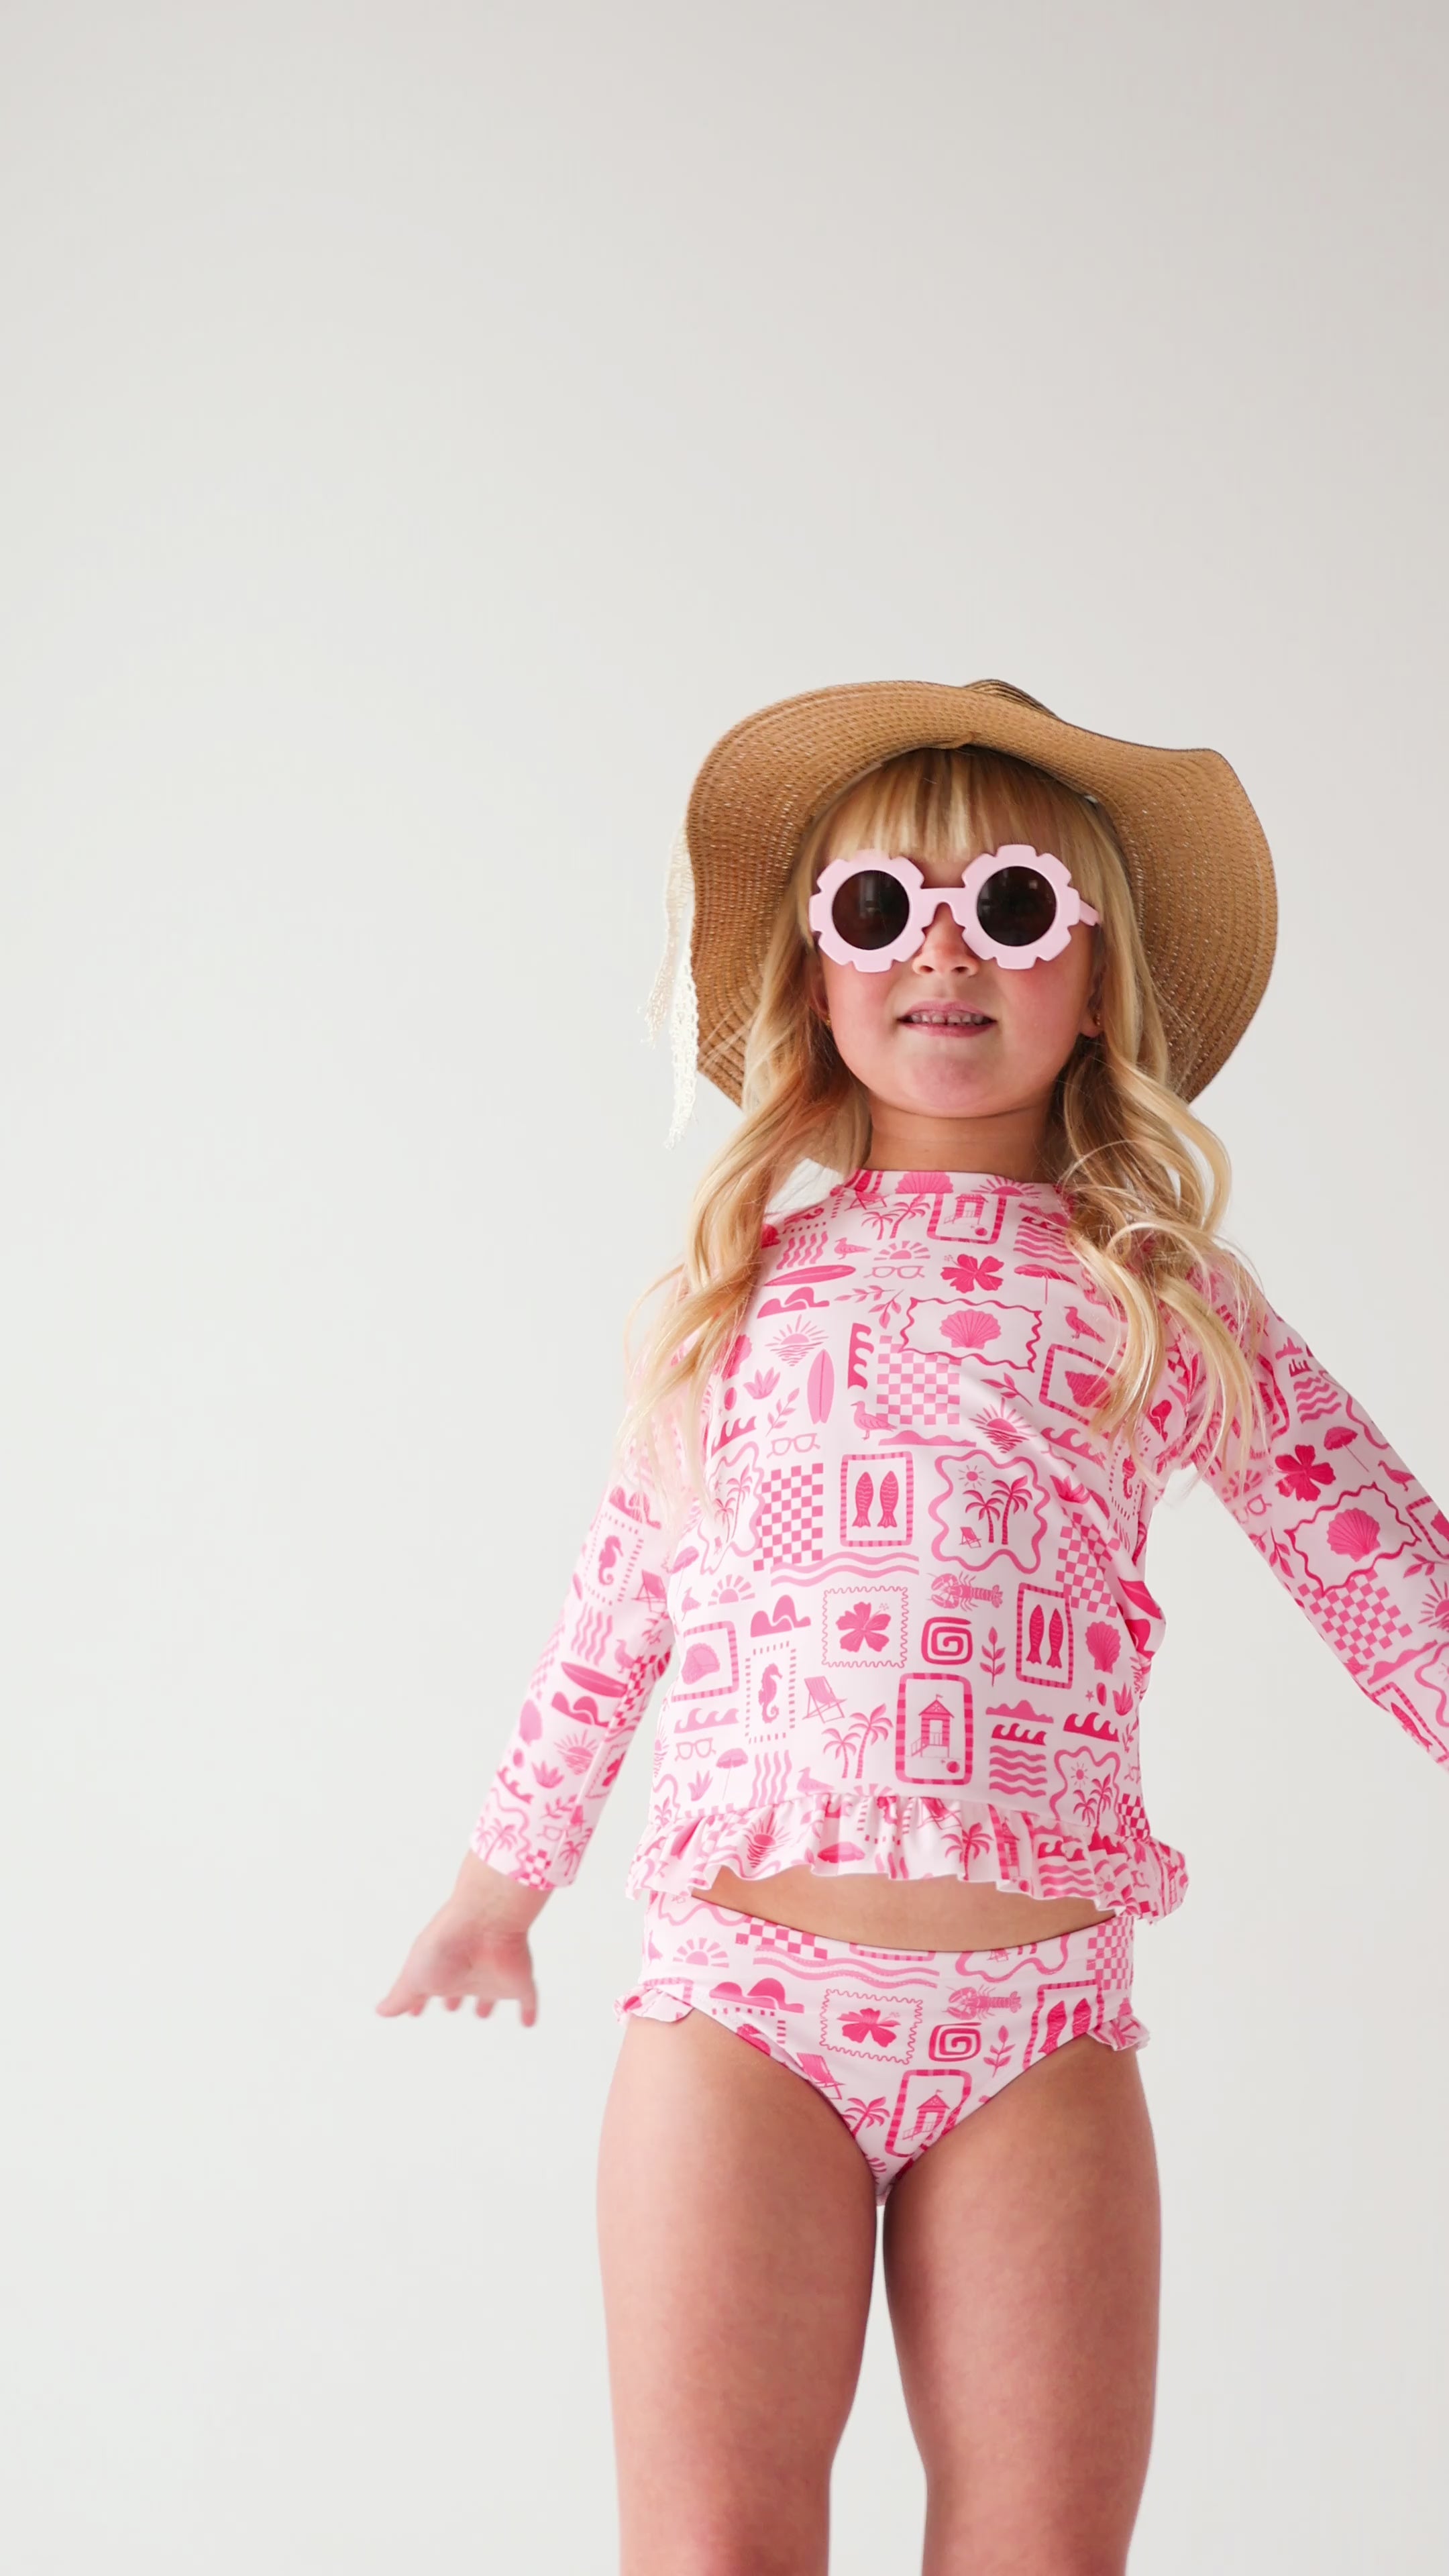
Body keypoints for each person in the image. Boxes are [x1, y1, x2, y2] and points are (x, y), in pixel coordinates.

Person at [378, 680, 1449, 2575]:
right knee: (716, 2545)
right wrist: (497, 1884)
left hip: (1039, 2036)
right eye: (881, 910)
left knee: (1041, 2550)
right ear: (815, 976)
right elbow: (616, 1609)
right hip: (741, 2014)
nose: (943, 954)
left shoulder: (1158, 1297)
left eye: (1014, 909)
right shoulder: (733, 1298)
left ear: (1096, 982)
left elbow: (1380, 1559)